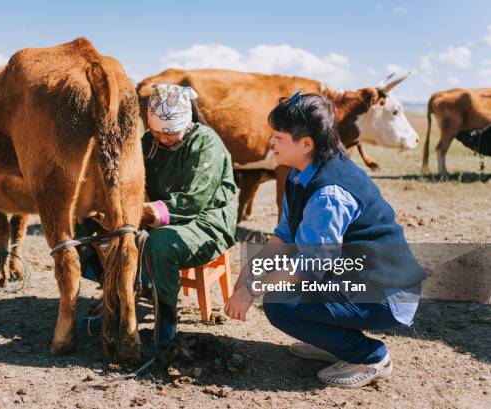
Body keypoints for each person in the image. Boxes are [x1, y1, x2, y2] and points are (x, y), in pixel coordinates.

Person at [224, 92, 426, 388]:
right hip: (359, 275)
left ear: (306, 144)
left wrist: (252, 289)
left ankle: (371, 356)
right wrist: (251, 271)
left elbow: (310, 266)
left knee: (281, 303)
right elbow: (284, 237)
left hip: (389, 294)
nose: (271, 143)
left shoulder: (327, 193)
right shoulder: (301, 175)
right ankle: (335, 344)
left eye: (279, 137)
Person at [79, 83, 237, 348]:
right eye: (157, 132)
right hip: (154, 213)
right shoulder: (150, 141)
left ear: (186, 122)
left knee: (161, 243)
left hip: (205, 218)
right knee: (84, 228)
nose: (163, 138)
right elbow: (131, 178)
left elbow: (192, 200)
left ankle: (166, 323)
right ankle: (116, 300)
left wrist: (139, 214)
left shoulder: (206, 142)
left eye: (171, 133)